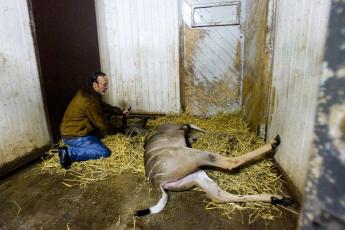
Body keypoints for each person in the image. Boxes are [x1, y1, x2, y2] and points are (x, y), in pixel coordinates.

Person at [57, 72, 129, 169]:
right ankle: (69, 153)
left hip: (74, 131)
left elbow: (103, 107)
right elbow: (101, 124)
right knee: (104, 152)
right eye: (105, 84)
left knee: (99, 135)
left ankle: (79, 146)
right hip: (74, 135)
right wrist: (117, 131)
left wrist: (120, 112)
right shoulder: (89, 99)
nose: (107, 87)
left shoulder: (89, 92)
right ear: (95, 84)